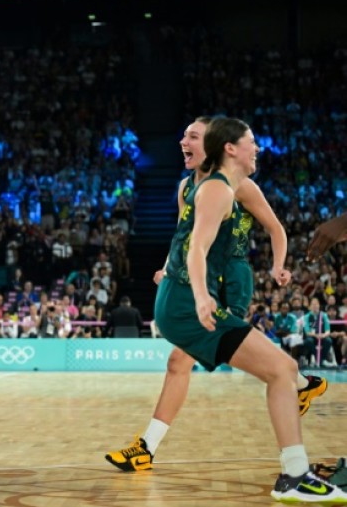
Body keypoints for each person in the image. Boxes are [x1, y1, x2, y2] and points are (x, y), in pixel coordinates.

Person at [106, 117, 327, 475]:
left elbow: (276, 228)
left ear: (214, 144)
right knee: (179, 362)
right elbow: (185, 239)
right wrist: (167, 267)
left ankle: (296, 401)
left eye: (192, 136)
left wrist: (277, 266)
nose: (183, 142)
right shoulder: (185, 188)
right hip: (198, 279)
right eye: (183, 135)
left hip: (228, 281)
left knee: (191, 360)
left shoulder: (238, 187)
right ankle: (301, 387)